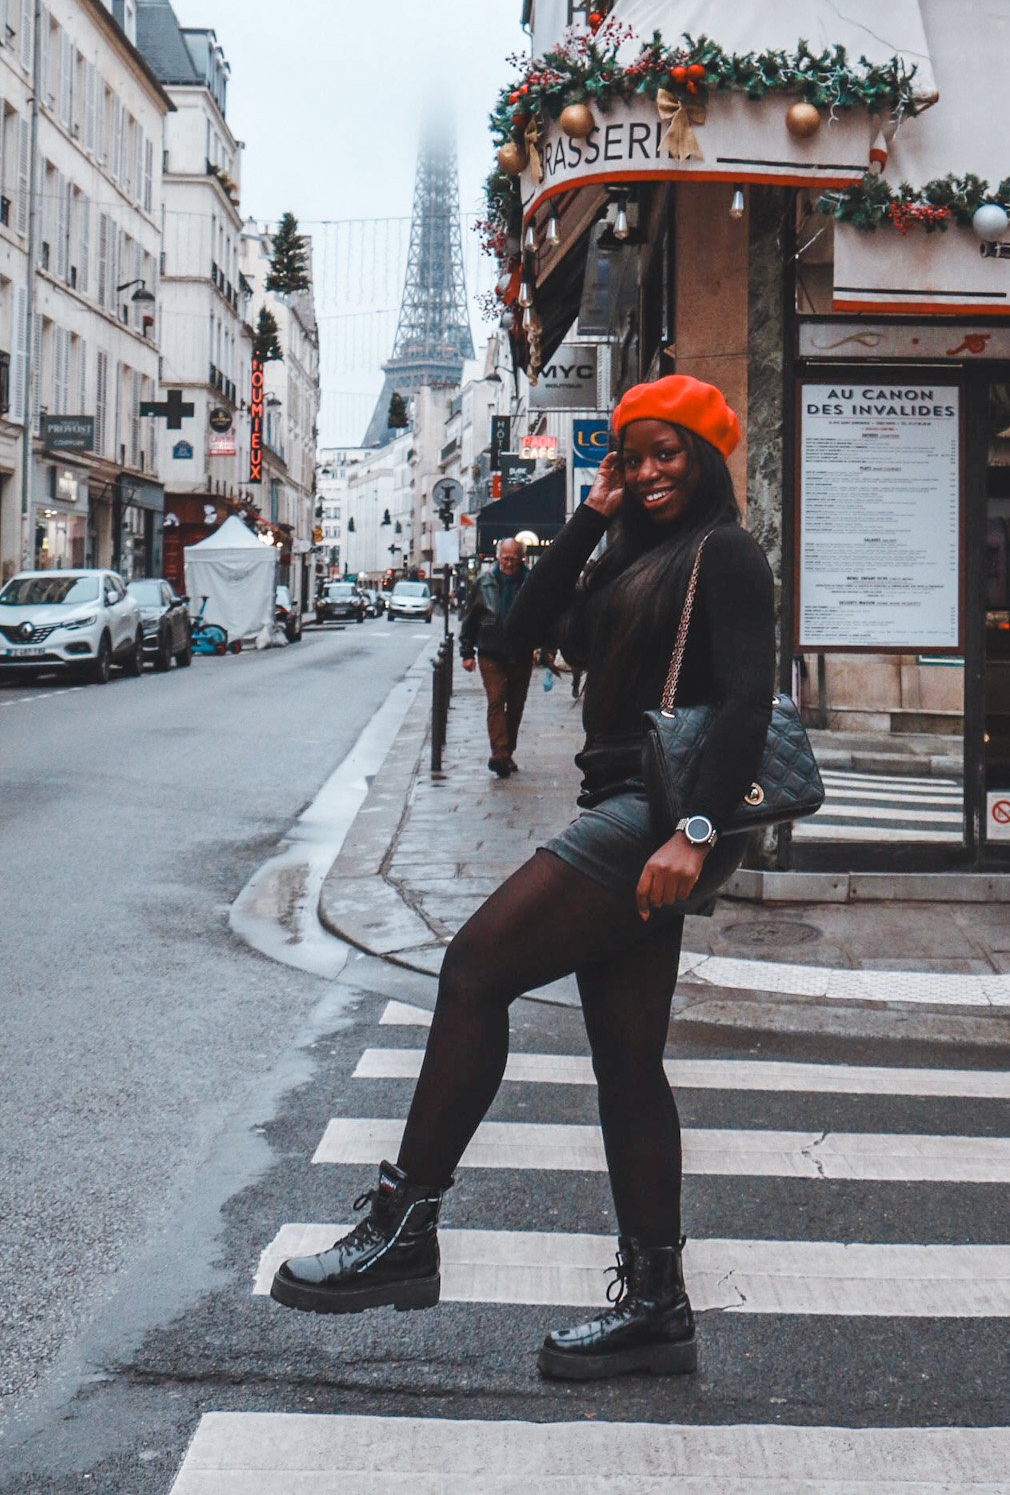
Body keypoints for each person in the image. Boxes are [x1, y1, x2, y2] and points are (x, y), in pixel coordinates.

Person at [271, 376, 774, 1381]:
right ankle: (658, 1308)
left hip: (652, 814)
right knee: (628, 1063)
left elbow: (752, 696)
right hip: (622, 809)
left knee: (474, 969)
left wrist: (697, 829)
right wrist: (589, 517)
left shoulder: (727, 552)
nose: (649, 470)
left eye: (670, 451)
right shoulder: (638, 550)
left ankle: (404, 1223)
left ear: (708, 457)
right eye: (633, 454)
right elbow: (520, 631)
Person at [459, 537, 534, 777]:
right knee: (496, 699)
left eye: (513, 559)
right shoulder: (484, 583)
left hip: (521, 652)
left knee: (515, 706)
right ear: (497, 557)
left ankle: (507, 752)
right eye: (505, 558)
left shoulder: (531, 582)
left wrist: (546, 649)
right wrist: (467, 652)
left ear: (521, 558)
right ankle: (499, 754)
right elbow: (470, 618)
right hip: (490, 652)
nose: (508, 563)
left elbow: (542, 617)